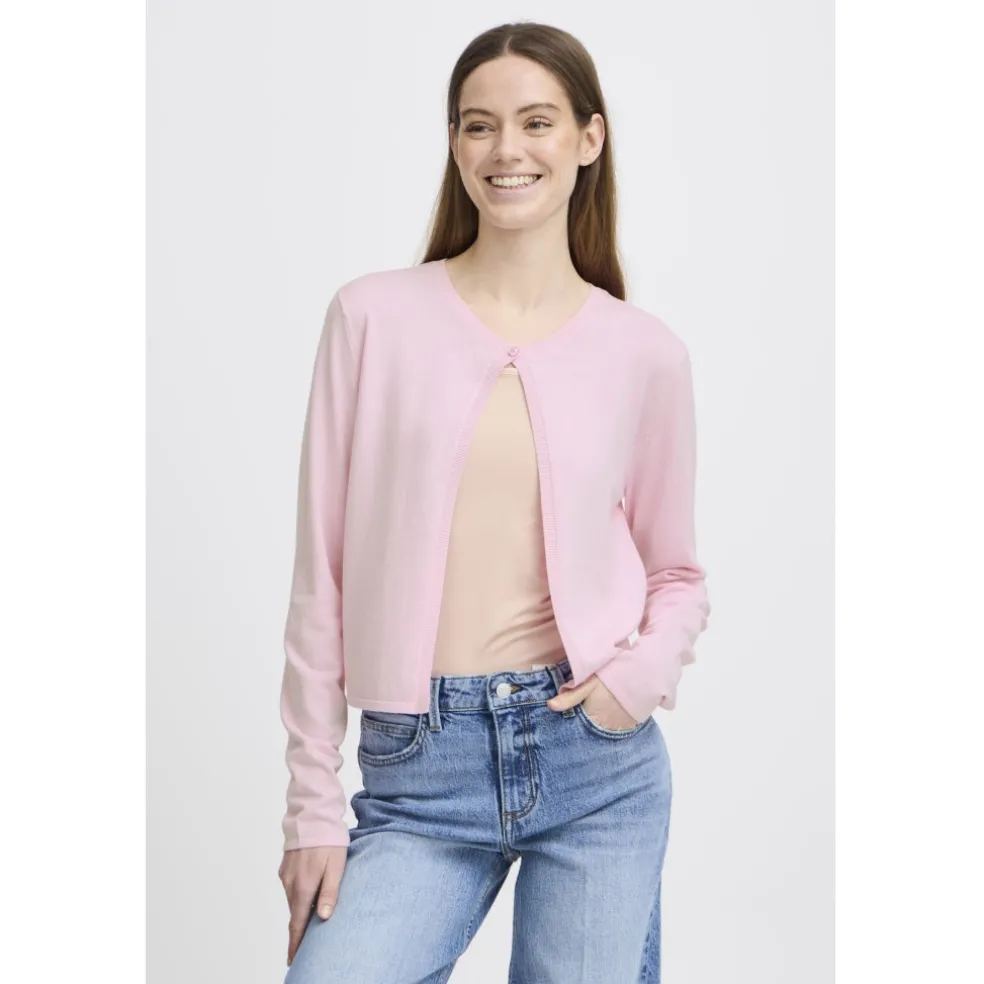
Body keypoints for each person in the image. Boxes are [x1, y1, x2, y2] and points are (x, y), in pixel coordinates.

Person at [277, 21, 711, 984]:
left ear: (589, 138)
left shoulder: (645, 352)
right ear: (455, 142)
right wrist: (312, 807)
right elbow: (322, 578)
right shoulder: (371, 317)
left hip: (597, 769)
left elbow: (677, 573)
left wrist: (633, 685)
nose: (506, 148)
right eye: (479, 125)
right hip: (418, 776)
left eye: (536, 122)